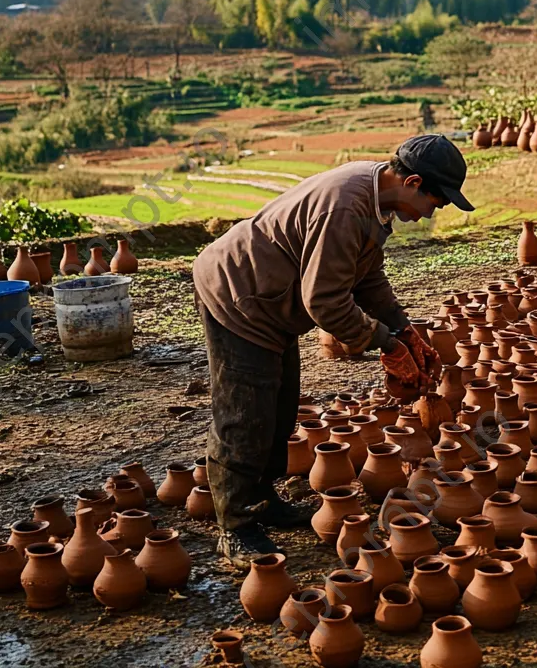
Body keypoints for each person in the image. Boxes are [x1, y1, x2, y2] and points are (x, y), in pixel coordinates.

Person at [191, 134, 474, 567]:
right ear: (414, 182)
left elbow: (366, 278)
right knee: (245, 414)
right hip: (239, 296)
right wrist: (385, 345)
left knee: (280, 409)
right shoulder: (346, 207)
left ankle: (262, 501)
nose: (432, 214)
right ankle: (235, 527)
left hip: (271, 300)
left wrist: (404, 329)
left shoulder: (375, 195)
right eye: (436, 203)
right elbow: (324, 301)